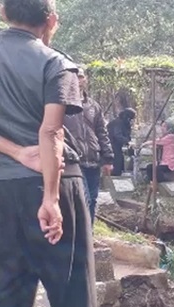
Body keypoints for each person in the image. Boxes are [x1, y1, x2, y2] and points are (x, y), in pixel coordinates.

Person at [0, 0, 110, 307]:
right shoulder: (56, 64)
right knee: (71, 273)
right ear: (50, 20)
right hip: (56, 181)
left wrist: (14, 152)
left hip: (2, 187)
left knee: (7, 280)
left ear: (2, 12)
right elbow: (51, 134)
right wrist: (50, 197)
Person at [63, 66, 113, 224]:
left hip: (93, 158)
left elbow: (102, 133)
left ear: (85, 80)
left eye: (81, 77)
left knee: (93, 198)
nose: (78, 80)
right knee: (84, 199)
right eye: (75, 76)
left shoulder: (94, 106)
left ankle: (89, 234)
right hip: (74, 159)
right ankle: (82, 237)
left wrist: (108, 158)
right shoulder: (62, 104)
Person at [107, 107, 136, 176]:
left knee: (120, 161)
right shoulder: (117, 123)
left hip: (117, 146)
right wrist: (127, 141)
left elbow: (126, 134)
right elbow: (117, 135)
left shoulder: (123, 123)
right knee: (117, 162)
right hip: (111, 145)